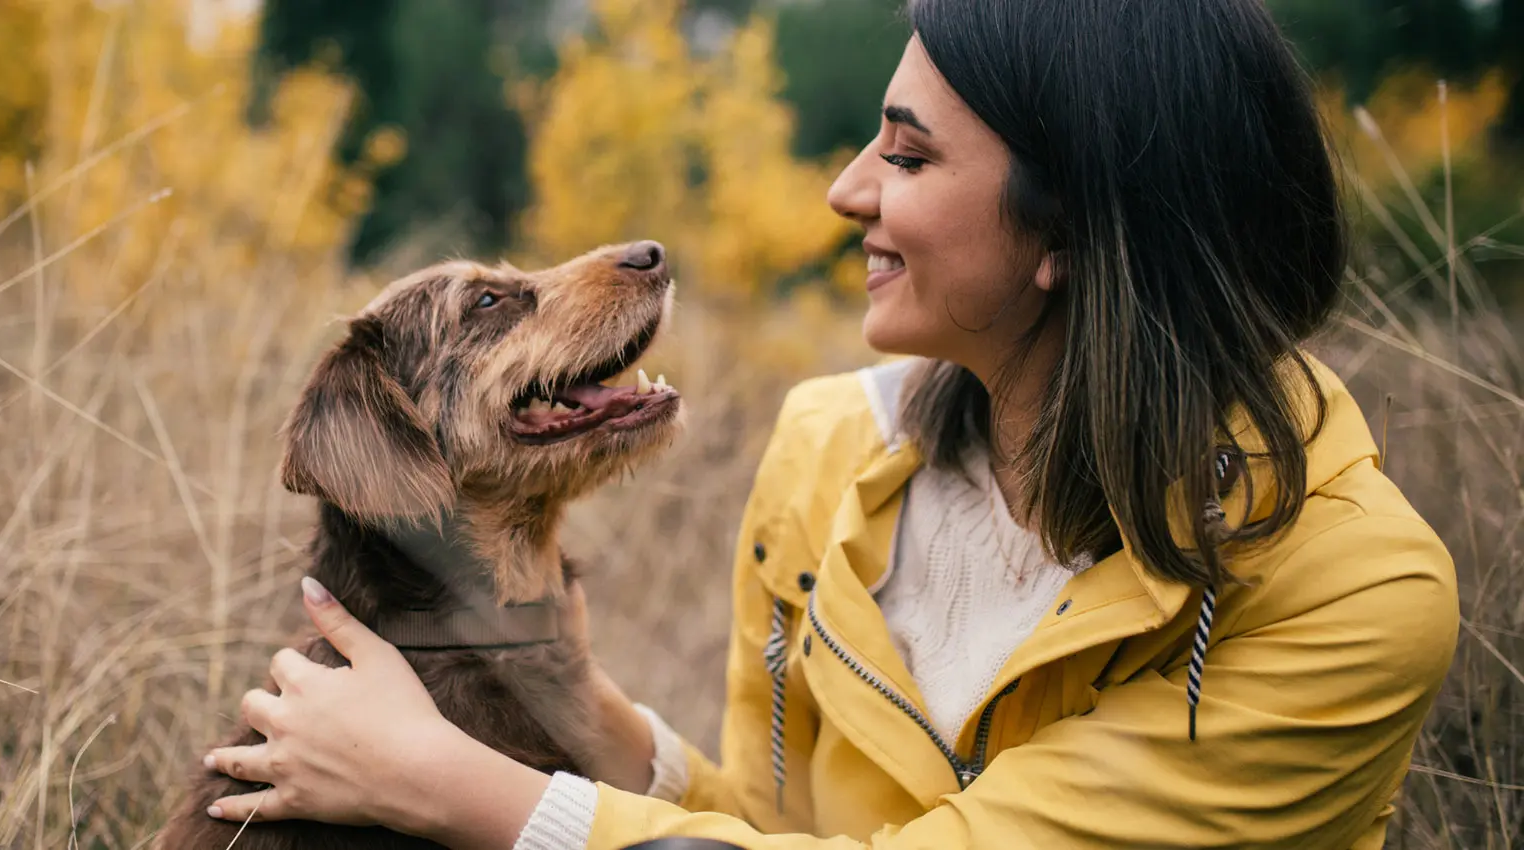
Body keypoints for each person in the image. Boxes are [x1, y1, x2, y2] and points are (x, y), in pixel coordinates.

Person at [195, 0, 1461, 847]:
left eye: (906, 159)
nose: (843, 187)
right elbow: (778, 824)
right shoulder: (826, 452)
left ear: (1077, 226)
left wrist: (460, 789)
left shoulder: (1353, 597)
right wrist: (591, 715)